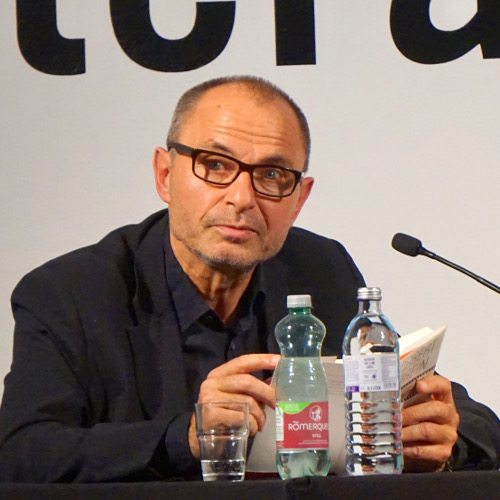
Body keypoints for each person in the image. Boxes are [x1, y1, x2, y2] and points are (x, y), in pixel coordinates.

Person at [0, 76, 498, 482]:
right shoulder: (70, 293)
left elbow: (467, 417)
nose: (241, 198)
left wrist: (446, 438)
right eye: (215, 165)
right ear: (164, 175)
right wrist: (187, 438)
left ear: (299, 199)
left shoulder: (319, 267)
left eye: (273, 175)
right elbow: (23, 452)